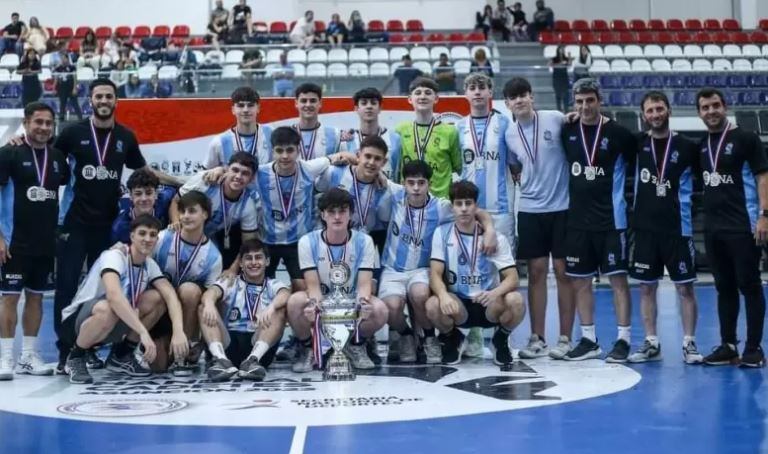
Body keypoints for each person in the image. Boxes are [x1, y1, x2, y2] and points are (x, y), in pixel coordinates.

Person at [49, 78, 180, 374]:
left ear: (116, 100)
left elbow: (144, 170)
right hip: (74, 223)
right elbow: (49, 158)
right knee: (66, 287)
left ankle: (90, 350)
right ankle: (64, 353)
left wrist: (181, 183)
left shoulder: (125, 136)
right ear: (90, 100)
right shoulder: (72, 133)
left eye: (109, 96)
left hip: (105, 225)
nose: (104, 101)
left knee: (101, 292)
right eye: (99, 96)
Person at [377, 160, 498, 363]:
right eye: (411, 182)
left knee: (420, 293)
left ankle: (429, 338)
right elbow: (369, 167)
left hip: (421, 270)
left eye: (421, 182)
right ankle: (405, 334)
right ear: (403, 183)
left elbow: (476, 211)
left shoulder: (441, 207)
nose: (416, 188)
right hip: (393, 269)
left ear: (429, 184)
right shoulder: (394, 194)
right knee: (391, 306)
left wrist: (490, 229)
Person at [61, 215, 189, 384]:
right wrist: (143, 332)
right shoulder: (114, 256)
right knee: (109, 308)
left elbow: (170, 295)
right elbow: (114, 296)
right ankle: (76, 356)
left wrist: (179, 331)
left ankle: (121, 356)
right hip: (78, 321)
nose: (147, 239)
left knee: (158, 299)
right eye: (142, 233)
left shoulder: (149, 265)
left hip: (111, 323)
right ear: (132, 236)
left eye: (152, 235)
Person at [560, 78, 636, 362]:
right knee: (581, 281)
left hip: (611, 220)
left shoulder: (619, 133)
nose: (585, 107)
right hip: (578, 220)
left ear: (599, 100)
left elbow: (638, 159)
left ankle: (624, 338)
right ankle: (589, 339)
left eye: (589, 100)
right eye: (579, 102)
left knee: (618, 280)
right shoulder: (567, 129)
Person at [627, 91, 703, 364]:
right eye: (650, 110)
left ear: (669, 110)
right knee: (646, 288)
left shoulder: (688, 146)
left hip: (677, 229)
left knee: (686, 288)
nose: (655, 114)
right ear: (643, 115)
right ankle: (651, 342)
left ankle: (689, 343)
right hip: (645, 229)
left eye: (659, 108)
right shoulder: (635, 144)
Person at [695, 88, 767, 368]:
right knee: (723, 287)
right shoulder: (702, 145)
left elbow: (763, 176)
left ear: (725, 107)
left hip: (743, 225)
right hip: (714, 229)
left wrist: (764, 215)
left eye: (715, 105)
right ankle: (728, 345)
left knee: (749, 286)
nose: (711, 111)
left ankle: (753, 347)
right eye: (705, 107)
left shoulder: (746, 139)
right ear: (700, 113)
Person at [503, 77, 574, 360]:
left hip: (562, 207)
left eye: (523, 95)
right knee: (535, 274)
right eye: (513, 97)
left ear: (532, 97)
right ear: (508, 104)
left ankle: (566, 338)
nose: (519, 100)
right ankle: (537, 338)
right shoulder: (509, 134)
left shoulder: (555, 119)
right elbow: (514, 167)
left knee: (563, 272)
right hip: (530, 210)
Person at [0, 103, 69, 379]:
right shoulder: (9, 153)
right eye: (37, 122)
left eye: (48, 123)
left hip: (44, 242)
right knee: (9, 299)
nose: (43, 127)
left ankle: (29, 355)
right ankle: (5, 357)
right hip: (15, 241)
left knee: (37, 298)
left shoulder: (57, 158)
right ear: (26, 123)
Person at [287, 188, 389, 372]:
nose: (337, 217)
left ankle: (354, 345)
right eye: (331, 212)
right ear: (323, 215)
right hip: (323, 299)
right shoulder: (307, 242)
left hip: (350, 300)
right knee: (295, 302)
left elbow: (364, 285)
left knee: (380, 309)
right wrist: (315, 308)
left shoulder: (364, 241)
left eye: (342, 211)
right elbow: (313, 286)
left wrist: (362, 306)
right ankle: (309, 347)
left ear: (351, 214)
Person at [426, 181, 525, 365]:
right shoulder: (442, 234)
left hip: (489, 303)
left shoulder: (495, 239)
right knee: (432, 304)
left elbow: (513, 278)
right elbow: (435, 274)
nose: (464, 209)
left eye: (468, 203)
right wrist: (443, 296)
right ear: (452, 207)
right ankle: (453, 338)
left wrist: (495, 293)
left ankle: (500, 339)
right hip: (459, 304)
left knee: (516, 300)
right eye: (459, 204)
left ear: (476, 206)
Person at [252, 127, 351, 290]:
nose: (285, 156)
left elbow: (340, 156)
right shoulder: (260, 173)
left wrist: (377, 173)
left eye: (290, 150)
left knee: (303, 288)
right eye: (279, 151)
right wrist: (218, 170)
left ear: (298, 150)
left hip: (298, 242)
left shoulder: (308, 168)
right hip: (267, 241)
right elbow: (233, 175)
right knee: (260, 289)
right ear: (272, 151)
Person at [200, 239, 291, 381]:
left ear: (267, 262)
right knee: (203, 307)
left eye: (258, 257)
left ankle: (252, 361)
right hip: (230, 344)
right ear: (241, 264)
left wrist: (270, 307)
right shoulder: (231, 281)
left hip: (259, 344)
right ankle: (221, 361)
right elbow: (210, 293)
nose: (254, 262)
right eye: (248, 258)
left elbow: (285, 295)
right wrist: (210, 304)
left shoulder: (273, 284)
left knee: (279, 310)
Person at [153, 190, 222, 375]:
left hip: (186, 314)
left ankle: (186, 352)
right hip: (160, 308)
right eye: (182, 211)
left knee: (190, 290)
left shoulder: (213, 256)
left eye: (192, 211)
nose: (185, 216)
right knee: (158, 365)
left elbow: (211, 293)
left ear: (205, 214)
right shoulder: (163, 238)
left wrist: (208, 303)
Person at [172, 152, 260, 268]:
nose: (238, 176)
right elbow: (175, 201)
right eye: (235, 170)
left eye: (245, 173)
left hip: (208, 238)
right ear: (227, 169)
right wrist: (175, 221)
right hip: (183, 230)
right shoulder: (205, 181)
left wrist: (233, 270)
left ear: (252, 178)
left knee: (215, 265)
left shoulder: (248, 205)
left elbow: (248, 244)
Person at [394, 77, 461, 199]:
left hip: (441, 202)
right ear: (410, 99)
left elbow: (460, 168)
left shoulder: (450, 132)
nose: (423, 97)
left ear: (436, 99)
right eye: (418, 93)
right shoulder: (400, 131)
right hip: (408, 202)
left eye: (428, 93)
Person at [205, 87, 272, 170]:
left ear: (258, 108)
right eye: (241, 105)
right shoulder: (219, 142)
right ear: (233, 110)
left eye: (250, 105)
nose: (246, 110)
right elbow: (206, 175)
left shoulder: (271, 134)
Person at [344, 87, 402, 181]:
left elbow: (398, 172)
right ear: (356, 109)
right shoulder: (348, 139)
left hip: (386, 193)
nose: (369, 106)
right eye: (364, 103)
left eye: (373, 103)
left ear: (380, 108)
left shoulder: (394, 139)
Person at [111, 168, 175, 244]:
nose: (144, 199)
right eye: (138, 194)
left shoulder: (164, 200)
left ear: (156, 194)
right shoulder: (120, 227)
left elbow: (178, 194)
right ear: (131, 196)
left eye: (148, 193)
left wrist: (175, 219)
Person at [292, 83, 346, 159]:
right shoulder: (286, 134)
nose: (308, 105)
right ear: (296, 103)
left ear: (320, 103)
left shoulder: (335, 134)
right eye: (304, 101)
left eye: (313, 101)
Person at [52, 52, 82, 121]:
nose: (63, 60)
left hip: (70, 87)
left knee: (75, 103)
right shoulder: (58, 68)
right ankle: (61, 119)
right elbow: (56, 79)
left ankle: (80, 118)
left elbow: (75, 78)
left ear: (67, 59)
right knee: (62, 103)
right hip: (62, 88)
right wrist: (54, 88)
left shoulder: (72, 67)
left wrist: (75, 88)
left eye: (64, 58)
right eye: (61, 58)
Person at [549, 45, 571, 112]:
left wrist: (569, 57)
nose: (561, 51)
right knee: (558, 95)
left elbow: (569, 64)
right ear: (558, 50)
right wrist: (560, 63)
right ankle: (559, 110)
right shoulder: (554, 58)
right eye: (560, 50)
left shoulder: (566, 58)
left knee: (565, 95)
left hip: (564, 77)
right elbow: (550, 64)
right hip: (556, 77)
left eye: (562, 50)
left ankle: (566, 110)